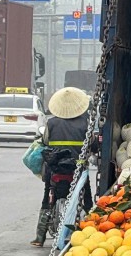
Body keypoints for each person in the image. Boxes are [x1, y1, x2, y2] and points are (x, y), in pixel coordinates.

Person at [30, 87, 90, 247]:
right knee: (88, 199)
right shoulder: (86, 123)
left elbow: (45, 142)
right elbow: (92, 146)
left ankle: (39, 237)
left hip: (55, 169)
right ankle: (93, 229)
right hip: (77, 170)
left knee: (46, 197)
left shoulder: (52, 123)